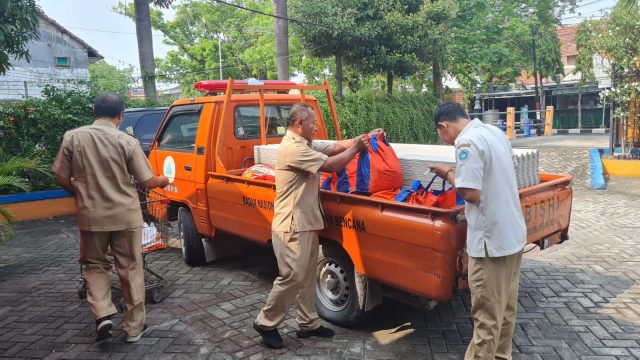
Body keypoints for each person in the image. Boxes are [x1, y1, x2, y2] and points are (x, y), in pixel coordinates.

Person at [52, 92, 169, 343]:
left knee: (95, 266)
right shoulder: (126, 141)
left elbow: (61, 177)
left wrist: (81, 195)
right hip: (125, 216)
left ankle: (103, 315)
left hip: (92, 215)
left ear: (94, 112)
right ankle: (134, 328)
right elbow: (147, 180)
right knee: (130, 268)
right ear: (121, 115)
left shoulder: (73, 137)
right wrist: (164, 179)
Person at [253, 103, 370, 349]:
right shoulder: (292, 149)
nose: (316, 127)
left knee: (306, 277)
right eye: (313, 123)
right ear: (299, 124)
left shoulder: (305, 144)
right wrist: (358, 148)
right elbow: (331, 165)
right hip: (291, 226)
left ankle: (308, 324)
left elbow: (336, 147)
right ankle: (265, 322)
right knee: (292, 277)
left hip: (305, 224)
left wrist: (360, 139)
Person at [429, 103, 526, 360]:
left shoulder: (467, 143)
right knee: (505, 310)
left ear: (443, 126)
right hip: (512, 236)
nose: (444, 140)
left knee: (486, 318)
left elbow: (470, 193)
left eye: (440, 134)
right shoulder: (494, 133)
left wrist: (448, 173)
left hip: (490, 243)